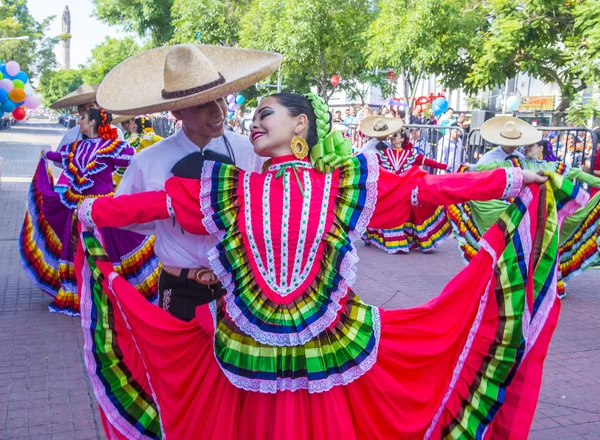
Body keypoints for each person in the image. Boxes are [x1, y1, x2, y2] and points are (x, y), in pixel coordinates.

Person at [75, 91, 572, 440]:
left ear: (300, 125)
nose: (252, 120)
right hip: (245, 347)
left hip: (325, 352)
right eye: (252, 115)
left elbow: (426, 190)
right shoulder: (229, 187)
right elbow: (155, 205)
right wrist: (90, 211)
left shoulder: (343, 187)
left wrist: (510, 180)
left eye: (265, 112)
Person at [94, 43, 282, 322]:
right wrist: (169, 219)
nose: (218, 111)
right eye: (203, 105)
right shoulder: (150, 160)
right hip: (180, 287)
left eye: (220, 99)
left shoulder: (249, 151)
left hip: (241, 285)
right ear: (177, 113)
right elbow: (126, 214)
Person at [19, 108, 160, 315]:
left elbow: (132, 161)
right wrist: (45, 155)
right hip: (77, 209)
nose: (80, 121)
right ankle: (82, 293)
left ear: (92, 122)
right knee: (78, 250)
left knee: (110, 249)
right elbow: (60, 157)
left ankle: (112, 291)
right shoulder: (77, 146)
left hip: (102, 209)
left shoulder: (113, 146)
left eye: (83, 118)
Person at [450, 137, 600, 298]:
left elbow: (580, 175)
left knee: (542, 247)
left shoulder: (555, 166)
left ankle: (542, 285)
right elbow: (494, 167)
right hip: (523, 212)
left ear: (540, 148)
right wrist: (471, 167)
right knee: (521, 247)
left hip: (545, 213)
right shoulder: (517, 163)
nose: (527, 148)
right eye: (526, 146)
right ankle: (513, 282)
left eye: (531, 145)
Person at [363, 128, 450, 253]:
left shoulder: (410, 154)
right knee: (387, 210)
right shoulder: (383, 154)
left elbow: (428, 162)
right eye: (392, 136)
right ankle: (394, 242)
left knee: (414, 211)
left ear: (402, 139)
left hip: (405, 191)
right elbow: (367, 161)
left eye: (396, 135)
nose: (393, 138)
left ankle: (413, 240)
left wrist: (446, 167)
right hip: (391, 191)